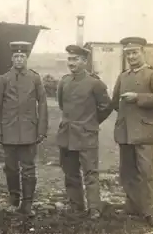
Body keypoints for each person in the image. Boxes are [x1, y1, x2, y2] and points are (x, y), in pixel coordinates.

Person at [0, 41, 48, 216]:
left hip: (29, 131)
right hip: (8, 131)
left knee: (28, 167)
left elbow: (43, 103)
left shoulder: (35, 78)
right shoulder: (3, 79)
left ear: (27, 58)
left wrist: (41, 130)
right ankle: (14, 196)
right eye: (16, 56)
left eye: (22, 56)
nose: (19, 59)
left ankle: (27, 202)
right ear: (11, 58)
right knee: (11, 167)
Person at [56, 45, 112, 219]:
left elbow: (106, 106)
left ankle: (94, 208)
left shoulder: (94, 83)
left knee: (90, 173)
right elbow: (62, 105)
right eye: (69, 59)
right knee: (70, 172)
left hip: (86, 135)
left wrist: (90, 122)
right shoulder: (64, 81)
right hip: (67, 134)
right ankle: (76, 206)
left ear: (84, 62)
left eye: (75, 59)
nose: (71, 63)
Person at [112, 37, 153, 228]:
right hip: (125, 131)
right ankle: (133, 206)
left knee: (146, 173)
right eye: (128, 53)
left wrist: (138, 97)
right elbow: (115, 100)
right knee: (127, 171)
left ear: (143, 52)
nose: (131, 56)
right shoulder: (123, 76)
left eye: (135, 52)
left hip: (144, 132)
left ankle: (152, 213)